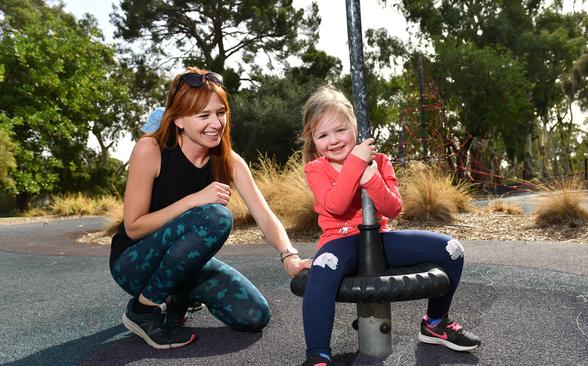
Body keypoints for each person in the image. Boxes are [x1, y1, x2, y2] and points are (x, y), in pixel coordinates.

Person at [109, 67, 311, 349]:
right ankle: (143, 310)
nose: (216, 123)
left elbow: (264, 214)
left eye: (220, 112)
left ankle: (177, 297)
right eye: (203, 115)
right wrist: (194, 199)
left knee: (255, 315)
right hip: (133, 263)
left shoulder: (230, 161)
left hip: (182, 262)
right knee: (216, 217)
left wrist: (290, 256)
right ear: (178, 119)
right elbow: (133, 226)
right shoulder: (150, 150)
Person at [298, 86, 481, 365]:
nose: (333, 140)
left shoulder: (379, 161)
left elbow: (393, 208)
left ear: (354, 126)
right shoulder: (316, 169)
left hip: (380, 239)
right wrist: (356, 164)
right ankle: (318, 354)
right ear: (312, 139)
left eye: (340, 130)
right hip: (340, 242)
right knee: (323, 266)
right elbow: (335, 205)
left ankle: (435, 322)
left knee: (452, 249)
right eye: (323, 135)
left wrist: (371, 178)